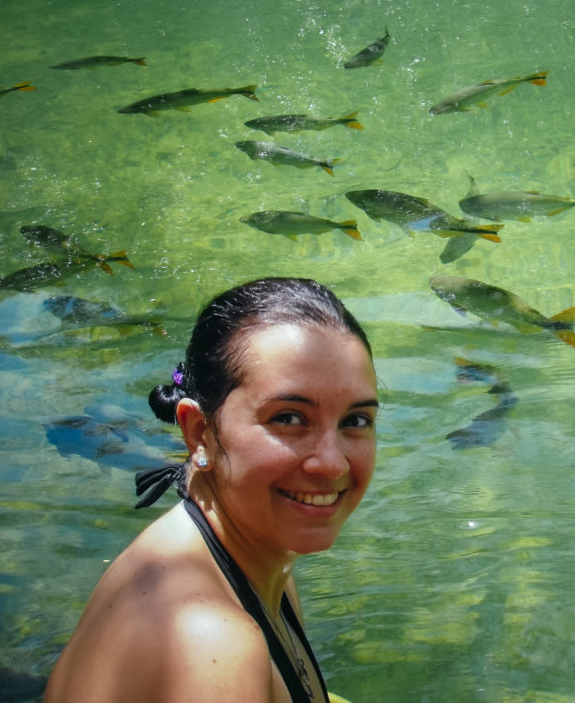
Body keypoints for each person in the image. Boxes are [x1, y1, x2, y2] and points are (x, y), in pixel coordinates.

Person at [44, 278, 379, 703]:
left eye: (355, 421)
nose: (332, 463)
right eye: (289, 418)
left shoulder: (261, 563)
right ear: (200, 432)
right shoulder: (212, 644)